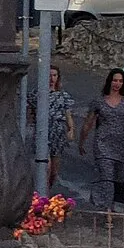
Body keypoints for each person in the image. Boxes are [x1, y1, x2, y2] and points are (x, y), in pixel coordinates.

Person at [80, 67, 124, 211]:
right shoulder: (99, 101)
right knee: (106, 176)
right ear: (110, 81)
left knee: (119, 178)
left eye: (120, 81)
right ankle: (107, 209)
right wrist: (82, 141)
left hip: (121, 144)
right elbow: (88, 123)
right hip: (103, 144)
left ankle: (112, 204)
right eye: (115, 80)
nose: (117, 84)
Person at [46, 66, 76, 194]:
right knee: (45, 167)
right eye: (49, 75)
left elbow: (68, 114)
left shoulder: (63, 96)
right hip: (44, 132)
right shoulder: (38, 95)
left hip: (58, 133)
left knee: (54, 171)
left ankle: (47, 191)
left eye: (54, 75)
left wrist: (71, 130)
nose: (51, 79)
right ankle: (43, 195)